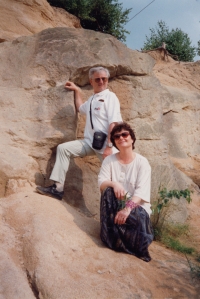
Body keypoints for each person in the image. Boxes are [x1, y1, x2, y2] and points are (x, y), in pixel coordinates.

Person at [36, 66, 122, 200]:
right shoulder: (93, 100)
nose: (101, 81)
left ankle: (122, 210)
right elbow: (80, 108)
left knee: (115, 178)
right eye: (97, 79)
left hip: (106, 145)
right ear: (91, 81)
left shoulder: (110, 97)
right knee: (63, 149)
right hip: (90, 142)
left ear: (107, 80)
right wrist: (77, 90)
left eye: (104, 79)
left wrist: (109, 146)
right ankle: (57, 189)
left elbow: (114, 123)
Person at [98, 122, 154, 262]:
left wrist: (127, 209)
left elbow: (141, 193)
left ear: (132, 138)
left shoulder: (142, 162)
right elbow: (101, 183)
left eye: (125, 134)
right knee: (108, 191)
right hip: (117, 204)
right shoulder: (109, 161)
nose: (121, 138)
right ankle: (111, 238)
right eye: (117, 136)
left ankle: (134, 244)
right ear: (115, 142)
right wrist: (114, 183)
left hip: (137, 208)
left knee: (137, 219)